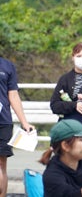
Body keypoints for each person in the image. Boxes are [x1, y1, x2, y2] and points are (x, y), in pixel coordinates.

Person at [1, 52, 37, 187]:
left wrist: (24, 122)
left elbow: (14, 95)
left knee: (1, 165)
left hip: (3, 122)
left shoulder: (7, 66)